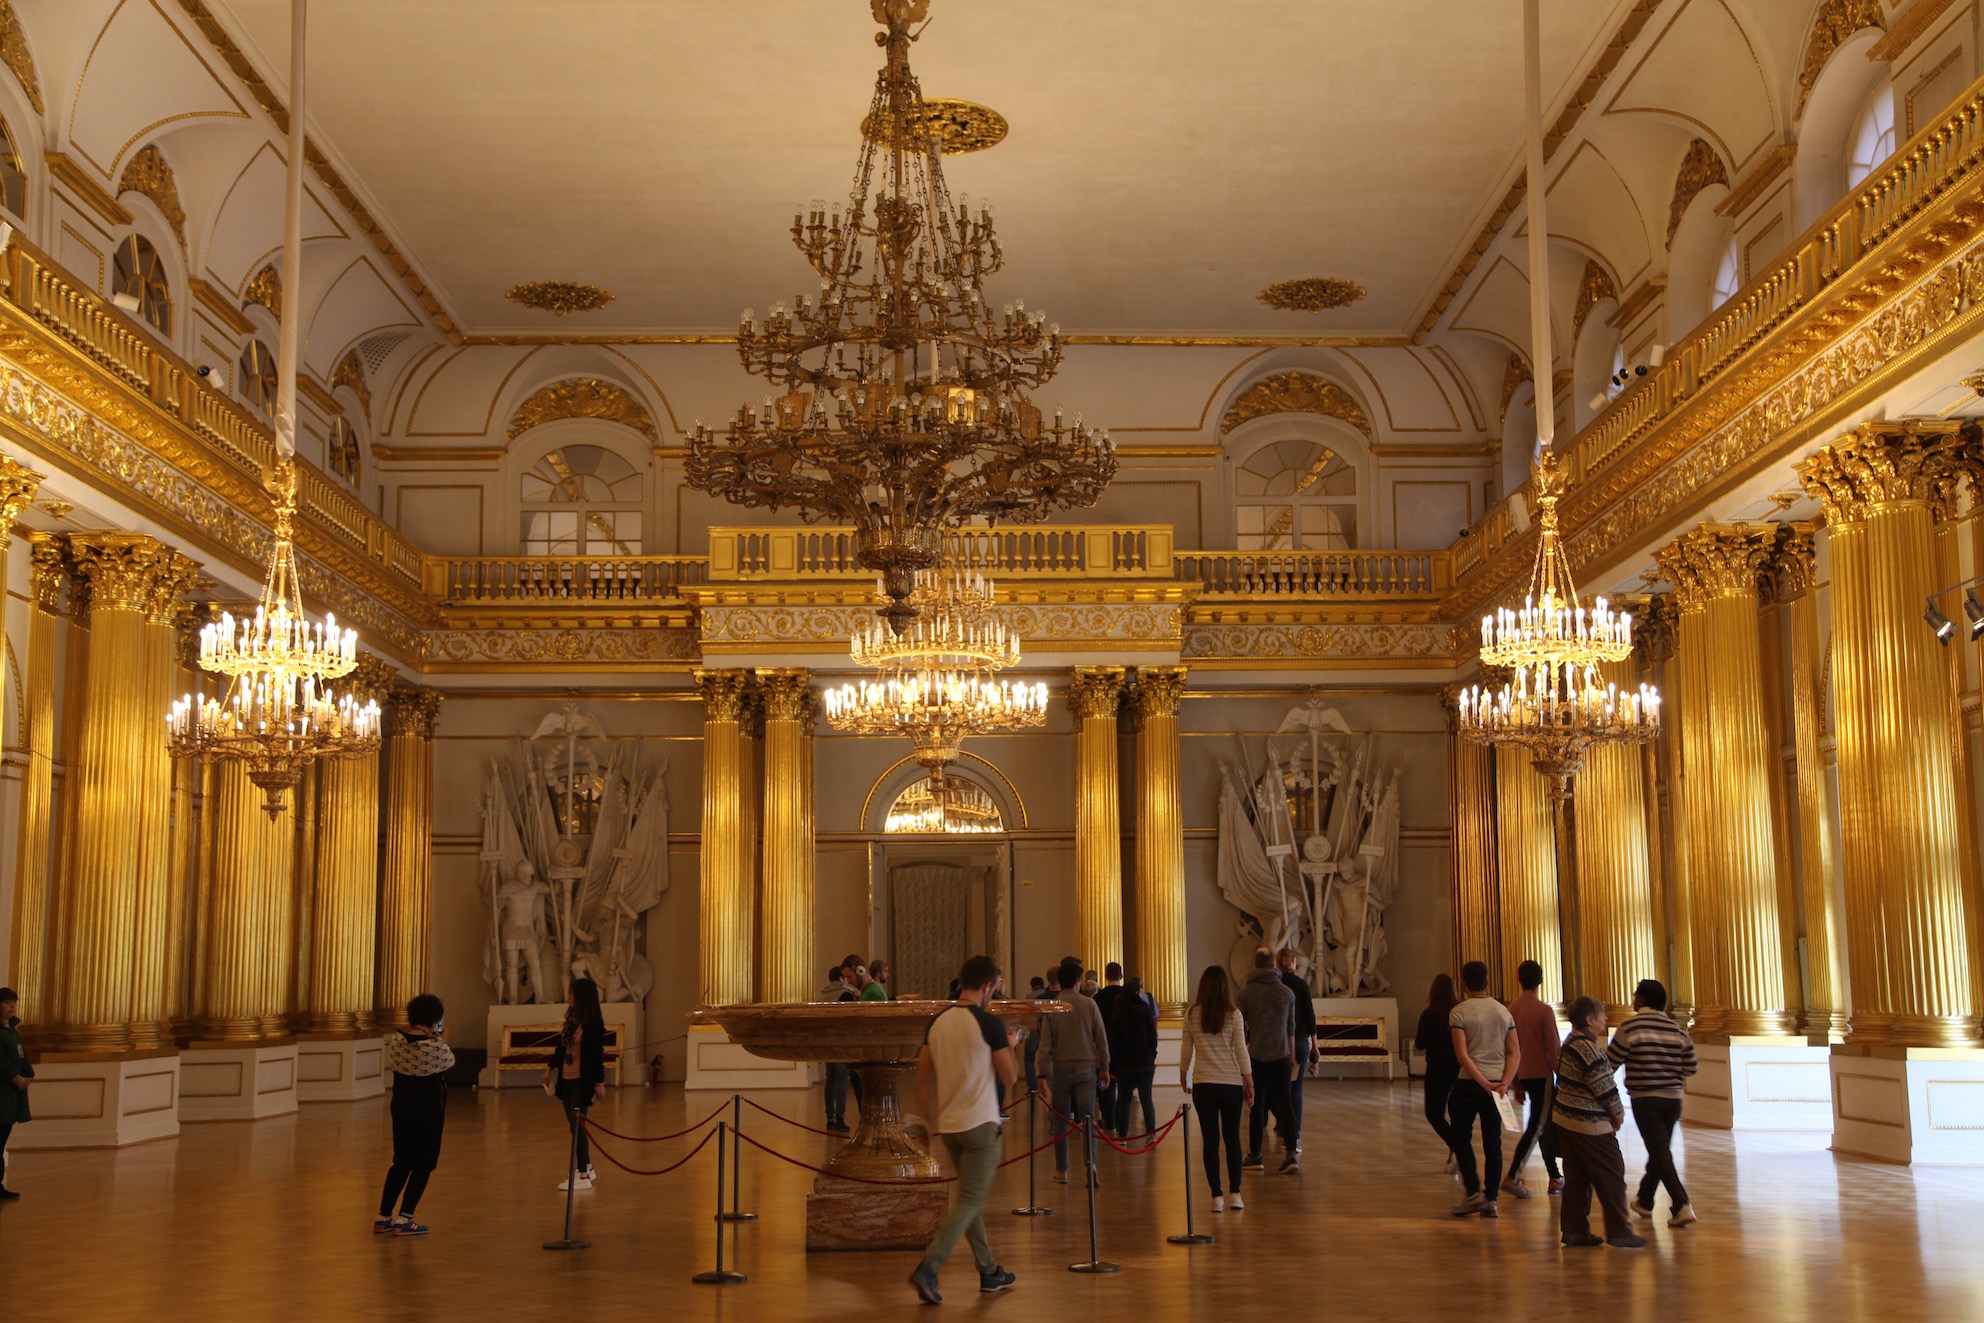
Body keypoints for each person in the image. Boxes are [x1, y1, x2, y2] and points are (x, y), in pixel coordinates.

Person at [907, 955, 1020, 1304]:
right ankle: (929, 1267)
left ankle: (989, 1270)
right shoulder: (990, 1024)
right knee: (970, 1200)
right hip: (981, 1126)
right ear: (987, 987)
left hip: (951, 1128)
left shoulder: (937, 1022)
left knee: (971, 1202)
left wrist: (926, 1122)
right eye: (994, 989)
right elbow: (1010, 1077)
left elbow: (922, 1076)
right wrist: (1011, 1045)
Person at [1554, 996, 1645, 1249]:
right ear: (1590, 1020)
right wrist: (1617, 1113)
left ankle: (1575, 1230)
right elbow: (1604, 1086)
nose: (1605, 1018)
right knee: (1612, 1173)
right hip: (1588, 1122)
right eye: (1602, 1014)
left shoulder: (1572, 1042)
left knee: (1578, 1177)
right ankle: (1620, 1231)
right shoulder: (1587, 1048)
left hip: (1566, 1118)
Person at [1607, 978, 1698, 1227]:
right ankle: (1645, 1200)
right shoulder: (1677, 1029)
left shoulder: (1630, 1027)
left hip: (1645, 1098)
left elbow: (1610, 1063)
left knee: (1659, 1150)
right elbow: (1691, 1067)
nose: (1633, 999)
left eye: (1635, 995)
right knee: (1660, 1150)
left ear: (1643, 999)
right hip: (1673, 1100)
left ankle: (1682, 1204)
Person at [376, 993, 454, 1236]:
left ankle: (383, 1216)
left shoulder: (396, 1041)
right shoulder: (436, 1047)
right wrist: (442, 1039)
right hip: (428, 1111)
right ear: (435, 1019)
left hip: (401, 1108)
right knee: (424, 1164)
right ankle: (405, 1218)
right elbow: (449, 1062)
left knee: (401, 1161)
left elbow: (414, 1050)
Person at [1179, 965, 1253, 1212]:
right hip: (1231, 1083)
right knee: (1232, 1140)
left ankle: (1216, 1196)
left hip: (1204, 1084)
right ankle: (1236, 1193)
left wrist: (1183, 1074)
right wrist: (1249, 1081)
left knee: (1210, 1140)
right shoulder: (1234, 1015)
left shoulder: (1191, 1014)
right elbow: (1241, 1051)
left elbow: (1186, 1049)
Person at [1449, 959, 1518, 1217]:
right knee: (1493, 1143)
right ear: (1487, 982)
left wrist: (1482, 1082)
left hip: (1469, 1083)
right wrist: (1504, 1082)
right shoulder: (1503, 1012)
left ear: (1463, 984)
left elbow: (1463, 1055)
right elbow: (1514, 1052)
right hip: (1497, 1086)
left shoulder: (1459, 1012)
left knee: (1461, 1138)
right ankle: (1491, 1200)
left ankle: (1473, 1193)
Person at [1034, 957, 1110, 1185]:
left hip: (1060, 1069)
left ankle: (1062, 1170)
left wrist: (1042, 1073)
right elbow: (1101, 1039)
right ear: (1078, 981)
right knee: (1088, 1119)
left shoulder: (1054, 1007)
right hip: (1086, 1068)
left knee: (1060, 1119)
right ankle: (1091, 1164)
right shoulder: (1089, 1004)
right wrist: (1105, 1068)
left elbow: (1045, 1044)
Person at [1504, 959, 1563, 1199]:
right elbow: (1554, 1048)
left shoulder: (1511, 1009)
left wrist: (1515, 1081)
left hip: (1523, 1073)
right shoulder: (1544, 1010)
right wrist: (1563, 1077)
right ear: (1541, 980)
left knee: (1542, 1125)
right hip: (1542, 1075)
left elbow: (1509, 1048)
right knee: (1538, 1127)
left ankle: (1554, 1176)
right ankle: (1513, 1176)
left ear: (1518, 980)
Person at [1236, 950, 1299, 1174]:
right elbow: (1290, 1028)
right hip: (1281, 1055)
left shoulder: (1245, 994)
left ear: (1255, 965)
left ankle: (1255, 1155)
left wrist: (1240, 1059)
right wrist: (1292, 1055)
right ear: (1274, 965)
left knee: (1256, 1106)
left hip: (1256, 1056)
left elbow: (1240, 1030)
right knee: (1285, 1105)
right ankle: (1291, 1153)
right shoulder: (1287, 993)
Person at [543, 976, 608, 1191]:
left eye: (573, 993)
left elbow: (597, 1055)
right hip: (567, 1079)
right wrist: (550, 1068)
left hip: (582, 1080)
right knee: (574, 1126)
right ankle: (586, 1166)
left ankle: (582, 1175)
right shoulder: (572, 1020)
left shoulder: (593, 1024)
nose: (570, 996)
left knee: (578, 1126)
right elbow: (562, 1048)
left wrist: (599, 1082)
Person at [1413, 973, 1461, 1167]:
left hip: (1437, 1069)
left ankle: (1456, 1148)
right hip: (1459, 1068)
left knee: (1434, 1114)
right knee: (1456, 1114)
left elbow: (1419, 1043)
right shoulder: (1460, 1011)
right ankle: (1457, 1151)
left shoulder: (1429, 1013)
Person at [1275, 949, 1319, 1156]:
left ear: (1278, 964)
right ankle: (1295, 1135)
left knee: (1279, 1088)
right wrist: (1315, 1046)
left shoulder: (1276, 985)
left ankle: (1283, 1126)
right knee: (1295, 1090)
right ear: (1293, 963)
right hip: (1300, 1043)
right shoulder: (1301, 985)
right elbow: (1310, 1017)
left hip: (1279, 1044)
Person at [1110, 975, 1159, 1137]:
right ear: (1137, 993)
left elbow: (1114, 1042)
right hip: (1145, 1060)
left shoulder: (1119, 1013)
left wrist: (1113, 1066)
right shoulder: (1145, 1010)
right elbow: (1153, 1036)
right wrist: (1152, 1055)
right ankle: (1151, 1133)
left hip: (1125, 1063)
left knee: (1124, 1099)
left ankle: (1122, 1134)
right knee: (1146, 1099)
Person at [0, 987, 31, 1199]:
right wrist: (15, 1077)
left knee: (2, 1139)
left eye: (14, 1002)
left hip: (10, 1095)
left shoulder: (13, 1030)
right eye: (7, 1002)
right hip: (2, 1092)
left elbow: (21, 1055)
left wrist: (27, 1072)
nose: (12, 1006)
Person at [819, 964, 858, 1134]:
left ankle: (830, 1119)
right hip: (842, 1042)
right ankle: (840, 1118)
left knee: (830, 1079)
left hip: (827, 1042)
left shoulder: (822, 995)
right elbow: (852, 1018)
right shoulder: (846, 994)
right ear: (841, 979)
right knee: (842, 1079)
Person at [1092, 963, 1126, 1133]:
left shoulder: (1098, 998)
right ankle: (1122, 1121)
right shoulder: (1127, 995)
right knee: (1124, 1086)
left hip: (1104, 1044)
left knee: (1106, 1084)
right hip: (1124, 1045)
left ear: (1105, 976)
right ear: (1121, 976)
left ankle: (1109, 1119)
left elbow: (1094, 1026)